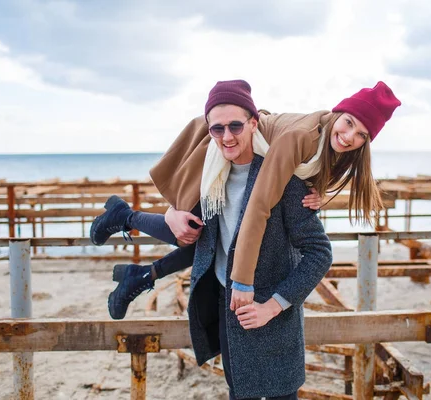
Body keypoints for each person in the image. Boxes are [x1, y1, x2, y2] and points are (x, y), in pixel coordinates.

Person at [92, 79, 401, 311]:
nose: (350, 137)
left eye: (362, 135)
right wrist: (242, 280)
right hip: (231, 144)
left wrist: (321, 195)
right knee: (190, 229)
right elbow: (259, 205)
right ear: (339, 113)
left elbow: (319, 171)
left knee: (207, 237)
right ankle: (124, 217)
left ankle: (140, 274)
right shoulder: (301, 137)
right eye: (349, 124)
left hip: (249, 152)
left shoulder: (336, 146)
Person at [110, 84, 333, 399]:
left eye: (236, 126)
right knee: (238, 392)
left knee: (283, 394)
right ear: (209, 130)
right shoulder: (210, 174)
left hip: (273, 313)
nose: (227, 136)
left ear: (254, 124)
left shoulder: (283, 178)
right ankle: (126, 232)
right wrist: (172, 212)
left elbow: (320, 253)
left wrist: (274, 305)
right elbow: (189, 224)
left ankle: (127, 231)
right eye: (218, 128)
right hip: (226, 304)